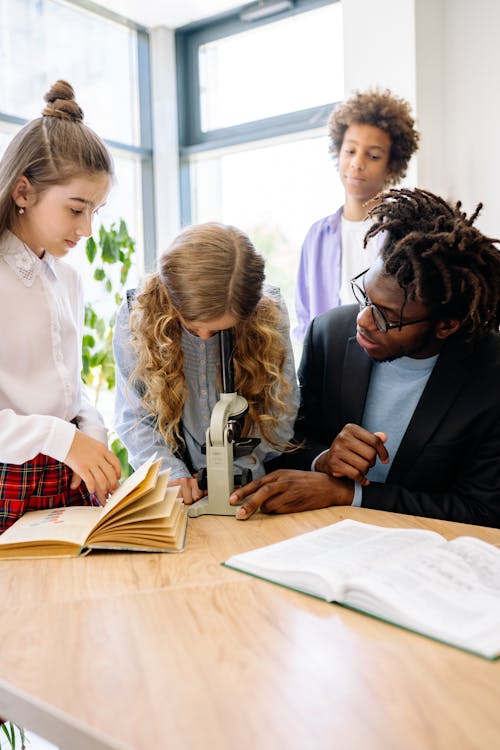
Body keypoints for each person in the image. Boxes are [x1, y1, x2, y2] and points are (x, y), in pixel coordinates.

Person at [230, 188, 500, 527]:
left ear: (445, 325)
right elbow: (288, 443)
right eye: (365, 295)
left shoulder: (490, 376)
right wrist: (324, 460)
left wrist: (350, 494)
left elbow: (483, 511)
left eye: (386, 316)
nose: (363, 319)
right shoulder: (328, 334)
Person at [0, 80, 122, 533]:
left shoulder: (67, 278)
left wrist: (90, 431)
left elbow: (67, 389)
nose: (88, 229)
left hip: (67, 479)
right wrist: (61, 438)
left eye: (97, 211)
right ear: (23, 192)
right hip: (7, 484)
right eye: (76, 210)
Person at [113, 222, 299, 505]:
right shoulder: (135, 313)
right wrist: (170, 474)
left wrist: (233, 472)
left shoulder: (269, 313)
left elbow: (281, 409)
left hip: (248, 488)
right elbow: (135, 419)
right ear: (170, 297)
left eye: (219, 331)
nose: (204, 337)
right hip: (175, 495)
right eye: (193, 325)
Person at [294, 88, 420, 340]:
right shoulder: (318, 236)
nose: (357, 162)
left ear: (391, 166)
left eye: (373, 155)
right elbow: (305, 318)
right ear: (338, 153)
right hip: (330, 362)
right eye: (350, 151)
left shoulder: (406, 234)